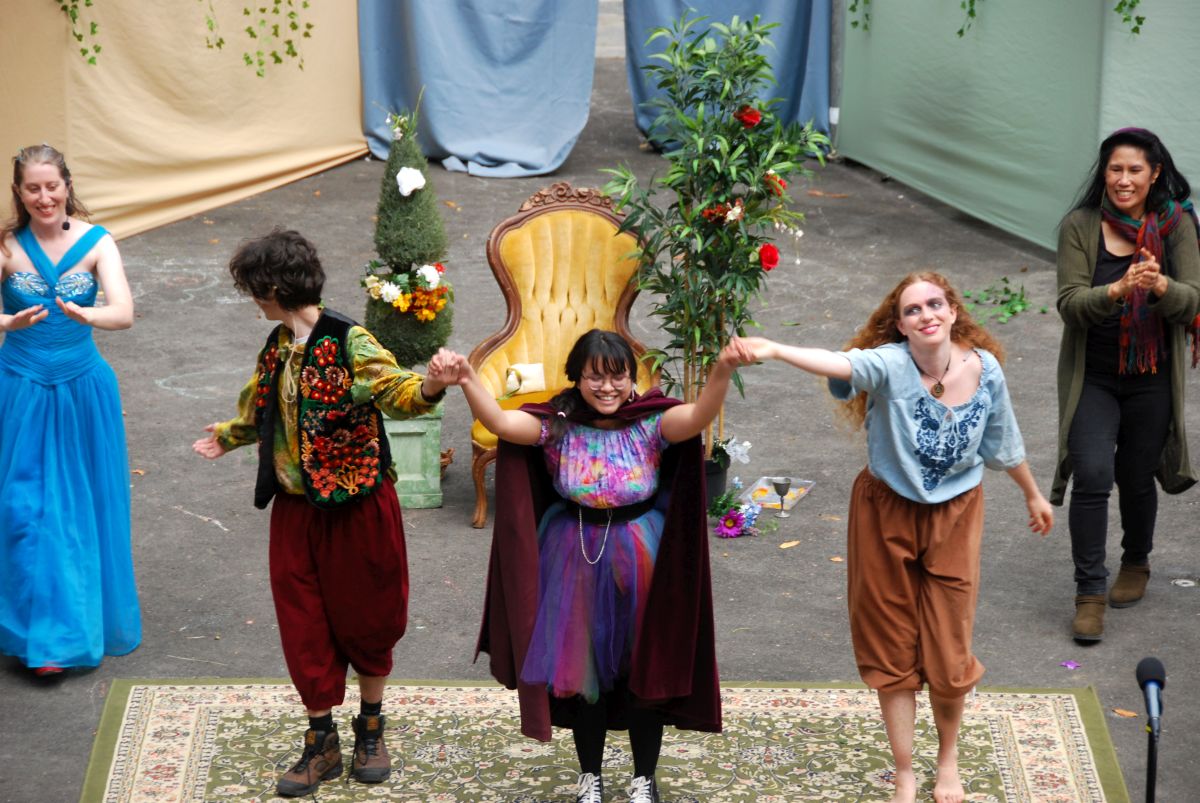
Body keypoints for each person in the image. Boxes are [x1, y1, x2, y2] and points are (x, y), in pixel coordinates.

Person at [741, 272, 1053, 803]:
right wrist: (772, 348)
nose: (926, 314)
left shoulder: (985, 369)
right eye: (913, 310)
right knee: (890, 646)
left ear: (953, 312)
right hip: (885, 511)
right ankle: (905, 771)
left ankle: (947, 760)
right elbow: (837, 364)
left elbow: (1004, 440)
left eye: (935, 304)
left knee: (950, 652)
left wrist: (1033, 495)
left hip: (956, 515)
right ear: (901, 326)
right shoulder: (889, 364)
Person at [428, 330, 754, 803]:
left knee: (645, 670)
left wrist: (723, 369)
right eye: (595, 377)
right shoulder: (557, 426)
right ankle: (590, 777)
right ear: (577, 379)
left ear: (632, 379)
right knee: (585, 680)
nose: (607, 387)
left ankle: (644, 779)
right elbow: (498, 421)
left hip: (641, 553)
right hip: (573, 555)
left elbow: (700, 416)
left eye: (617, 376)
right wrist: (466, 379)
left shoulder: (651, 424)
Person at [191, 229, 450, 798]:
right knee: (303, 622)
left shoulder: (349, 340)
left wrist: (431, 385)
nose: (253, 301)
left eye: (255, 290)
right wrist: (229, 435)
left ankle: (370, 728)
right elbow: (262, 404)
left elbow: (398, 390)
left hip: (356, 505)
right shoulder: (279, 344)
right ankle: (321, 741)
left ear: (274, 289)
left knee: (369, 617)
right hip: (296, 510)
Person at [1054, 128, 1200, 643]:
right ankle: (1089, 594)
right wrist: (1116, 289)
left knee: (1136, 476)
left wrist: (1159, 285)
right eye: (1115, 169)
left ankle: (1136, 560)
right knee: (1093, 474)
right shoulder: (1079, 225)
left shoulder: (1176, 224)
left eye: (1135, 170)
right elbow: (1070, 305)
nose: (1123, 179)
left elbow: (1193, 299)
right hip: (1093, 375)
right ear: (1104, 172)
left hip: (1151, 375)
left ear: (1154, 174)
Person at [0, 144, 140, 677]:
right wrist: (8, 323)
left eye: (51, 186)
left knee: (76, 508)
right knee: (22, 508)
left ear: (66, 185)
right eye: (32, 188)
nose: (44, 197)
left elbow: (123, 313)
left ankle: (57, 638)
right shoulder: (7, 246)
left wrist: (88, 315)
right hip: (21, 388)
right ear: (19, 193)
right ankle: (30, 626)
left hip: (83, 389)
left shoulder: (97, 241)